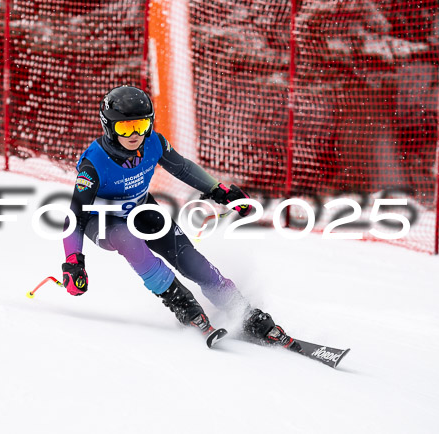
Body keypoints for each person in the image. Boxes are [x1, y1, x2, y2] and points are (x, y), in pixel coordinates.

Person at [61, 85, 298, 350]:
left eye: (141, 124)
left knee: (191, 261)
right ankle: (183, 304)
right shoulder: (93, 163)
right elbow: (75, 216)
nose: (135, 134)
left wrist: (217, 189)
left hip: (141, 209)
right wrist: (74, 261)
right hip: (103, 221)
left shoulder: (153, 142)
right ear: (108, 126)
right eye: (125, 128)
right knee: (127, 239)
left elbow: (182, 167)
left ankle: (244, 312)